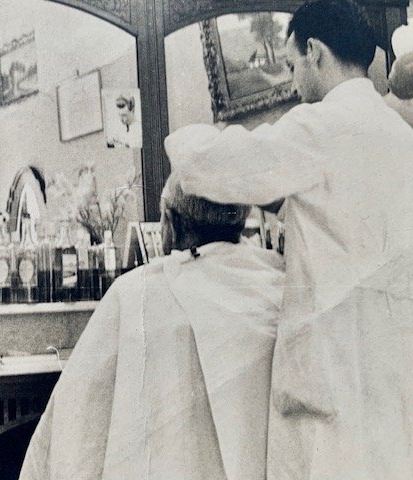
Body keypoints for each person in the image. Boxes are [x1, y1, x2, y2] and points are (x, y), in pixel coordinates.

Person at [165, 0, 413, 477]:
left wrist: (184, 142)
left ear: (314, 51)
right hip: (395, 369)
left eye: (293, 63)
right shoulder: (401, 136)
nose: (294, 81)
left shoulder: (322, 125)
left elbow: (223, 167)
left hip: (333, 371)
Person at [20, 171, 285, 480]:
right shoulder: (277, 284)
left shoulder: (135, 292)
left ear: (170, 223)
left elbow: (77, 415)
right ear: (240, 222)